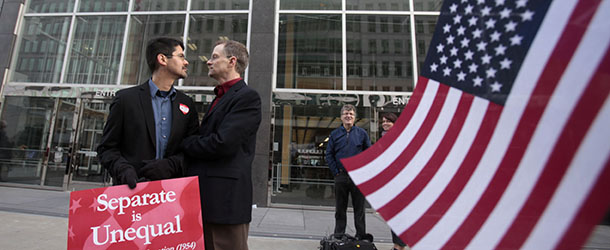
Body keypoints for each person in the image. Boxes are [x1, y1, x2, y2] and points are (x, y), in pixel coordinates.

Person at [181, 40, 261, 250]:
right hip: (208, 199)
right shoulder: (220, 96)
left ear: (232, 61)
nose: (209, 62)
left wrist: (186, 143)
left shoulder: (247, 97)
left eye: (215, 57)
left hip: (226, 203)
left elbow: (222, 143)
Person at [97, 37, 199, 189]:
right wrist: (123, 170)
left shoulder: (187, 104)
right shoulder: (126, 99)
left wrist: (171, 165)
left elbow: (192, 150)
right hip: (131, 194)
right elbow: (107, 148)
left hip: (172, 196)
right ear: (162, 59)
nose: (186, 62)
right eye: (181, 56)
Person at [325, 104, 371, 239]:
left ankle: (360, 235)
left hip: (357, 176)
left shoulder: (362, 134)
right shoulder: (334, 134)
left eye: (351, 114)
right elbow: (329, 154)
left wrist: (362, 172)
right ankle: (339, 234)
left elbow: (368, 154)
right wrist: (336, 172)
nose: (348, 116)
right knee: (340, 208)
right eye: (345, 113)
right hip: (341, 175)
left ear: (355, 117)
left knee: (359, 209)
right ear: (341, 117)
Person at [379, 113, 407, 250]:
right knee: (392, 215)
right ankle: (398, 244)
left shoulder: (400, 138)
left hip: (400, 181)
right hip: (388, 181)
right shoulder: (383, 138)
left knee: (399, 216)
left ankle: (399, 246)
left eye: (388, 121)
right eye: (383, 121)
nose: (385, 123)